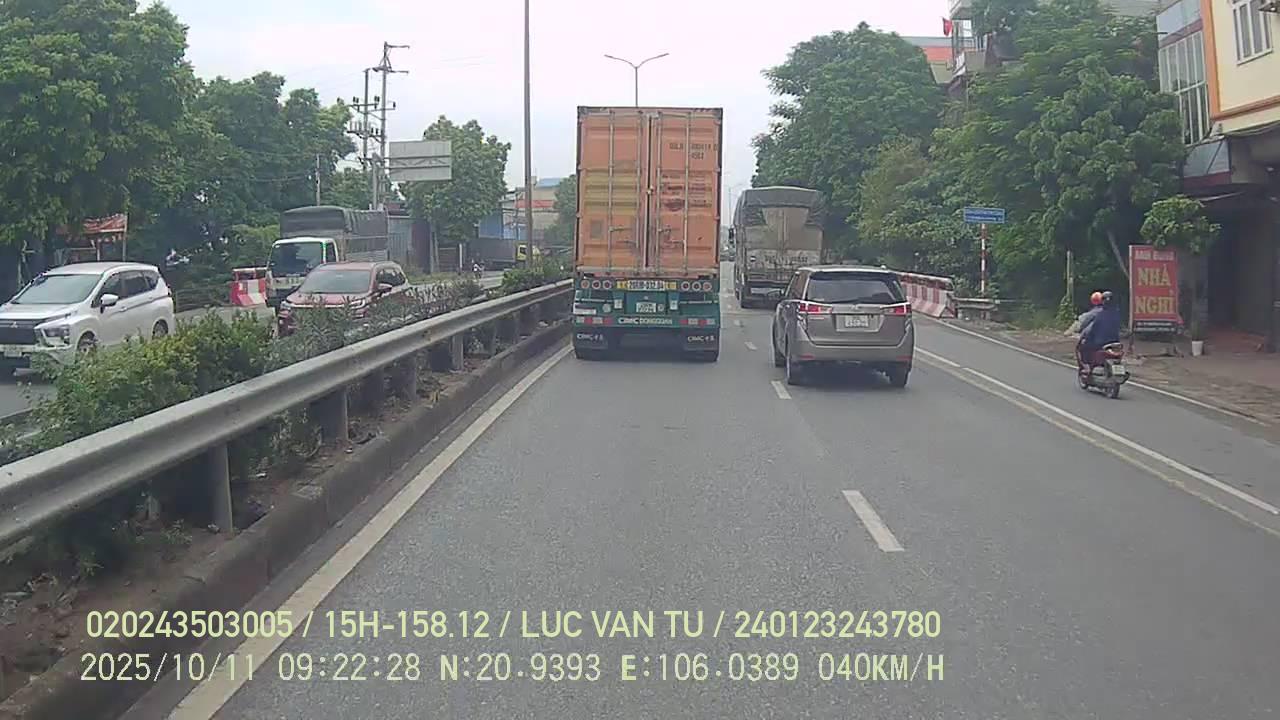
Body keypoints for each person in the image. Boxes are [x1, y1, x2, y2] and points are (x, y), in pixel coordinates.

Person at [1078, 291, 1122, 368]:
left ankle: (1089, 366)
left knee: (1085, 347)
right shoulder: (1117, 313)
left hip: (1101, 342)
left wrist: (1086, 336)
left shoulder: (1100, 314)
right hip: (1115, 342)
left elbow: (1092, 328)